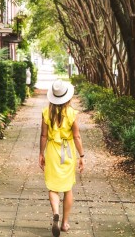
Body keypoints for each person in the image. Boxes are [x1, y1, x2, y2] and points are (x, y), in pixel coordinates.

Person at [39, 79, 85, 237]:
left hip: (52, 151)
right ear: (68, 97)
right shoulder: (72, 113)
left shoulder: (46, 112)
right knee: (67, 188)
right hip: (68, 152)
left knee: (53, 187)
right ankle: (65, 223)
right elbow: (77, 136)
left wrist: (41, 153)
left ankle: (55, 213)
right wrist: (82, 155)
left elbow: (44, 135)